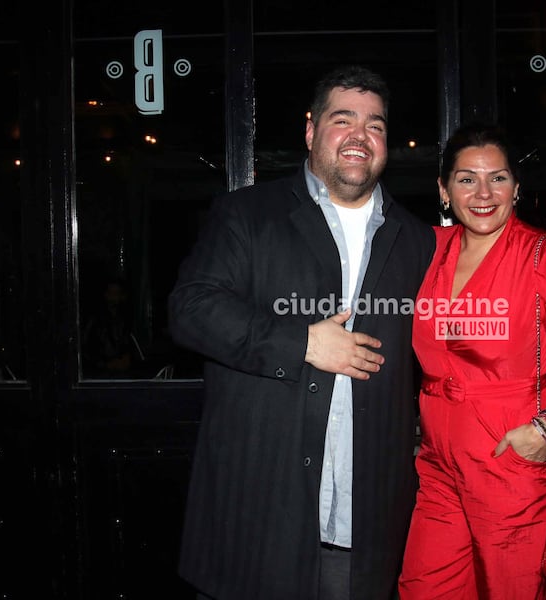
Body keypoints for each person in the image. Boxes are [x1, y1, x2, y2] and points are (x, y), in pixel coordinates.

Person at [168, 65, 435, 600]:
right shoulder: (247, 215)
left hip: (366, 523)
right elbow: (190, 310)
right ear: (311, 131)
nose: (361, 136)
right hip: (260, 514)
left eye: (376, 125)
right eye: (344, 119)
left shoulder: (419, 240)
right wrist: (304, 343)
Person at [398, 123, 546, 599]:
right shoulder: (428, 251)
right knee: (422, 588)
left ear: (516, 188)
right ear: (443, 188)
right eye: (465, 178)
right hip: (437, 465)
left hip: (512, 461)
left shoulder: (544, 254)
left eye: (497, 178)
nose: (482, 193)